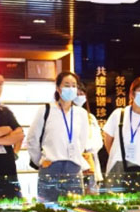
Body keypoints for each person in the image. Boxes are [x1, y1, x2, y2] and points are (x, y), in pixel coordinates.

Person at [27, 72, 93, 201]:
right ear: (58, 88)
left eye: (74, 85)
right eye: (66, 85)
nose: (71, 88)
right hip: (51, 166)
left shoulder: (81, 113)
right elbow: (32, 139)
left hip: (73, 168)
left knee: (74, 207)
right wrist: (40, 161)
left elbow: (82, 141)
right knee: (49, 207)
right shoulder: (46, 110)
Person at [76, 84, 104, 183]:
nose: (80, 96)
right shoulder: (66, 116)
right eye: (77, 94)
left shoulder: (90, 117)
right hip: (74, 160)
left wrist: (89, 148)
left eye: (82, 93)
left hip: (90, 159)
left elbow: (98, 142)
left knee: (91, 188)